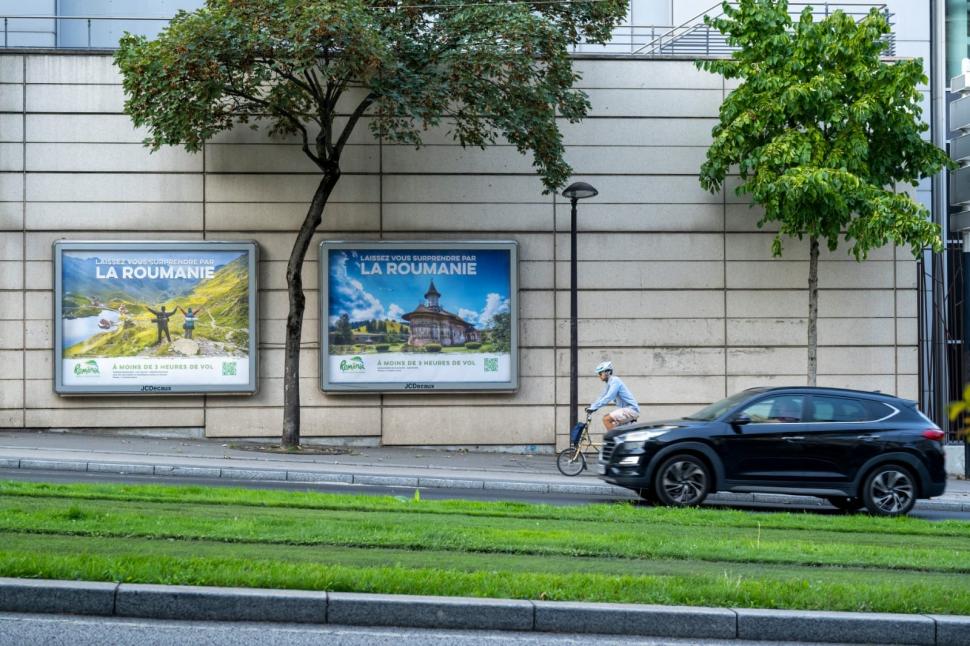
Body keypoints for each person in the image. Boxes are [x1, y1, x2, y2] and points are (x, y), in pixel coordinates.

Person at [587, 361, 640, 432]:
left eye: (600, 373)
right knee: (615, 427)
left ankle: (614, 441)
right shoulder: (609, 384)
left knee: (606, 419)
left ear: (607, 372)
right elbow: (602, 396)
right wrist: (592, 406)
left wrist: (594, 407)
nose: (599, 376)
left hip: (631, 410)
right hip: (626, 410)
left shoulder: (615, 381)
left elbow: (608, 397)